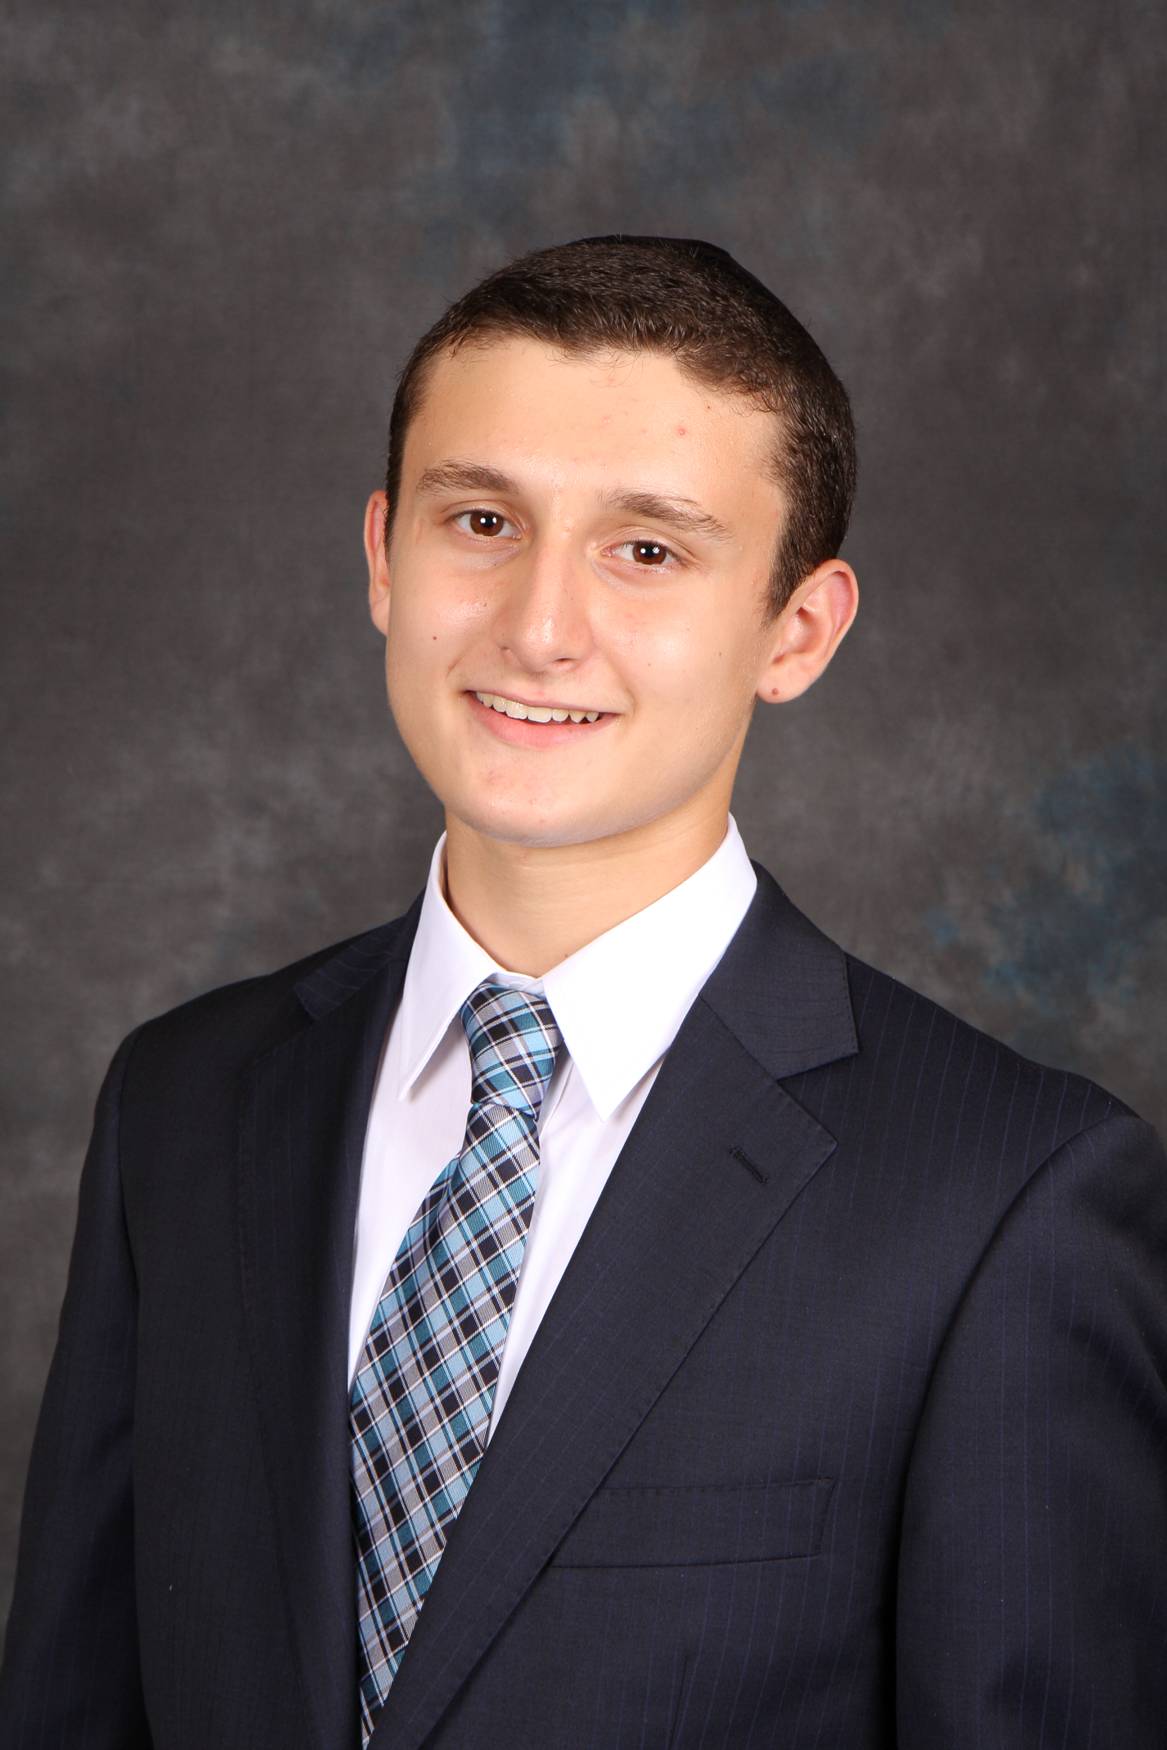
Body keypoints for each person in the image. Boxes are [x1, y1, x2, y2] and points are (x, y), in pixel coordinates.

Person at [1, 234, 1163, 1750]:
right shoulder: (185, 1099)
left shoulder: (1007, 1198)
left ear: (797, 631)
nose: (539, 626)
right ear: (383, 557)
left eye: (648, 550)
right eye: (481, 520)